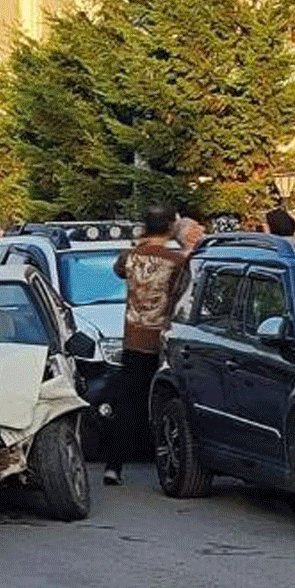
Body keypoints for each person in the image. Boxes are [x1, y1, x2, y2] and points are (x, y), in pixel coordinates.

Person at [105, 204, 189, 485]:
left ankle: (113, 465)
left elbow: (119, 269)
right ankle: (165, 462)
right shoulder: (176, 261)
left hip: (132, 337)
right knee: (166, 402)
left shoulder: (129, 257)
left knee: (127, 402)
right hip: (162, 340)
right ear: (168, 227)